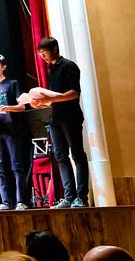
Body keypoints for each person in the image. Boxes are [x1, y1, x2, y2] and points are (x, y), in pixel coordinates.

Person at [33, 37, 89, 208]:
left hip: (71, 117)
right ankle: (69, 196)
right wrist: (42, 103)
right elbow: (54, 98)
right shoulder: (52, 70)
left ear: (54, 49)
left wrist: (55, 97)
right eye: (40, 53)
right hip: (55, 119)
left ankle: (81, 197)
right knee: (60, 157)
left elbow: (74, 93)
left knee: (77, 154)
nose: (42, 56)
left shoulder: (69, 66)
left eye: (44, 52)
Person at [0, 54, 32, 211]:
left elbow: (22, 107)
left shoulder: (12, 84)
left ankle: (21, 200)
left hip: (12, 130)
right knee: (0, 167)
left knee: (17, 166)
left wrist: (8, 108)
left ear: (3, 67)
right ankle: (6, 202)